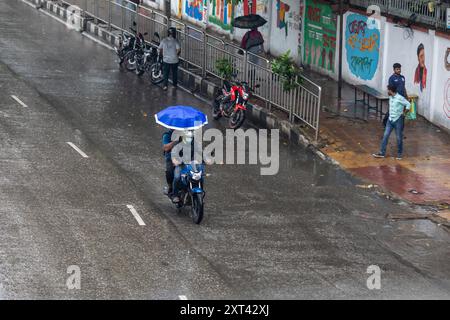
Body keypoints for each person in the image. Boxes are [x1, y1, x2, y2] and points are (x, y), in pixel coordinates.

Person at [372, 85, 411, 160]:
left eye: (388, 90)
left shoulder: (400, 98)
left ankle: (399, 154)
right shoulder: (390, 97)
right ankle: (381, 153)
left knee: (399, 137)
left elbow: (408, 104)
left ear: (391, 90)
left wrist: (404, 113)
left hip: (398, 120)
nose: (387, 91)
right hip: (390, 120)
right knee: (385, 136)